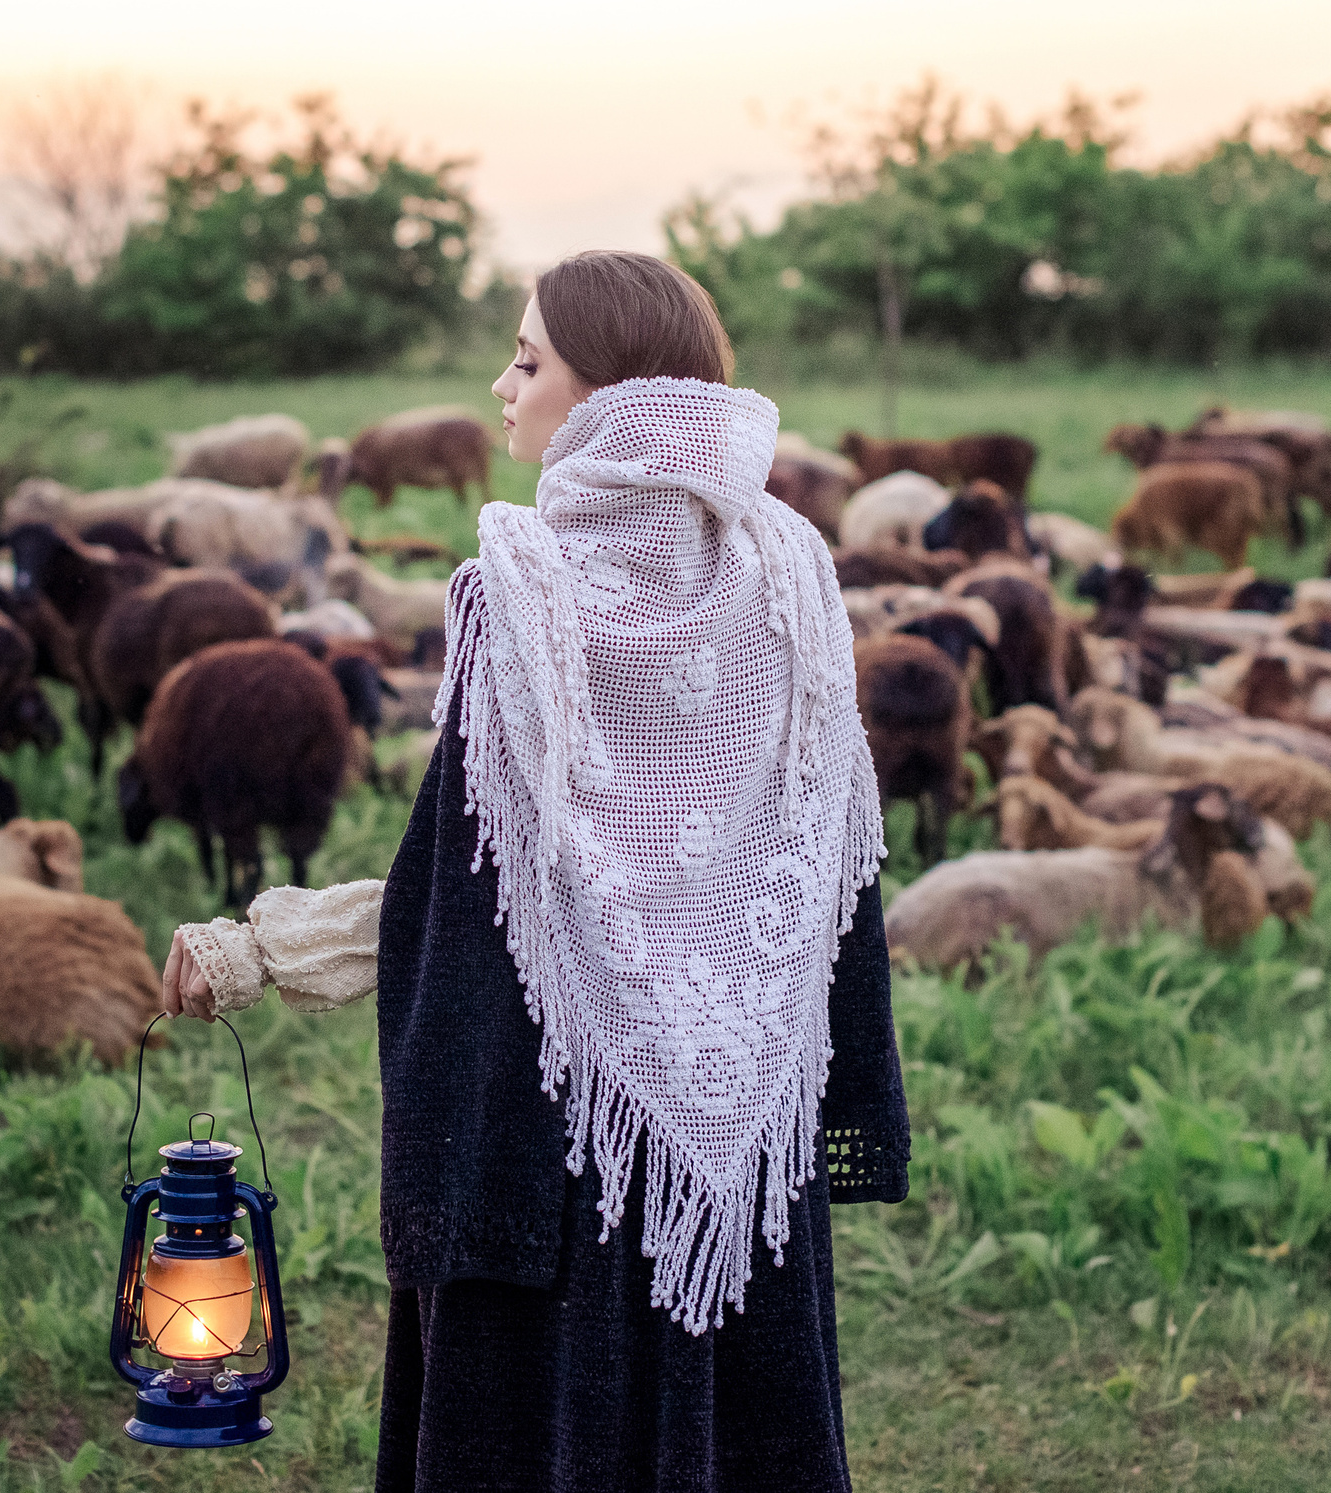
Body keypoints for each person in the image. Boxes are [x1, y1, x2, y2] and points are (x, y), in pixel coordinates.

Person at [160, 249, 909, 1493]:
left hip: (562, 1141)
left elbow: (470, 898)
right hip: (746, 1130)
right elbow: (813, 874)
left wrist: (263, 947)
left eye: (528, 359)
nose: (501, 387)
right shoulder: (791, 578)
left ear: (609, 395)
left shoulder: (522, 594)